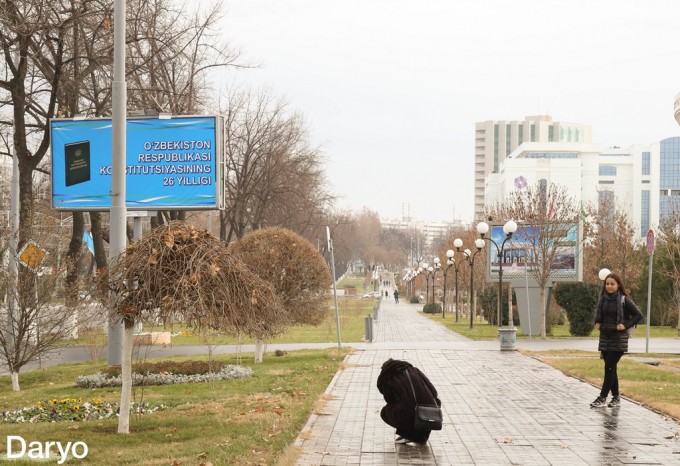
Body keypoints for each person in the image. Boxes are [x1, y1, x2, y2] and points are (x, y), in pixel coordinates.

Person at [590, 272, 643, 408]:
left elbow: (638, 315)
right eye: (607, 284)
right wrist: (597, 322)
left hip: (618, 340)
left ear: (618, 285)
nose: (609, 286)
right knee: (611, 368)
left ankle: (602, 398)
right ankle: (616, 398)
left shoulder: (624, 300)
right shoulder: (603, 299)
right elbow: (600, 315)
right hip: (605, 338)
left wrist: (625, 325)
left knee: (608, 368)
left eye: (612, 284)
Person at [377, 358, 441, 444]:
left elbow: (389, 400)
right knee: (416, 411)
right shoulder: (415, 371)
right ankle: (418, 436)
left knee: (385, 412)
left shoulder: (388, 378)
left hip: (407, 412)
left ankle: (408, 435)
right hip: (429, 413)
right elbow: (433, 391)